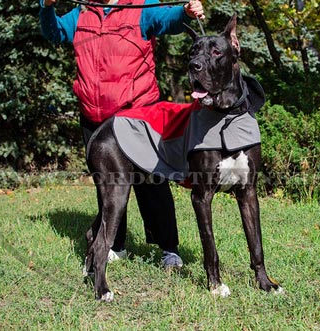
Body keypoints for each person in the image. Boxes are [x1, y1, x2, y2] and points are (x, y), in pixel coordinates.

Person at [39, 0, 205, 268]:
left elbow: (167, 20)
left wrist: (184, 12)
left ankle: (168, 249)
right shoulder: (83, 13)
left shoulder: (140, 7)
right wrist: (46, 7)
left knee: (151, 180)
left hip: (137, 113)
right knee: (106, 183)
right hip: (94, 117)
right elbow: (54, 32)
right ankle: (115, 243)